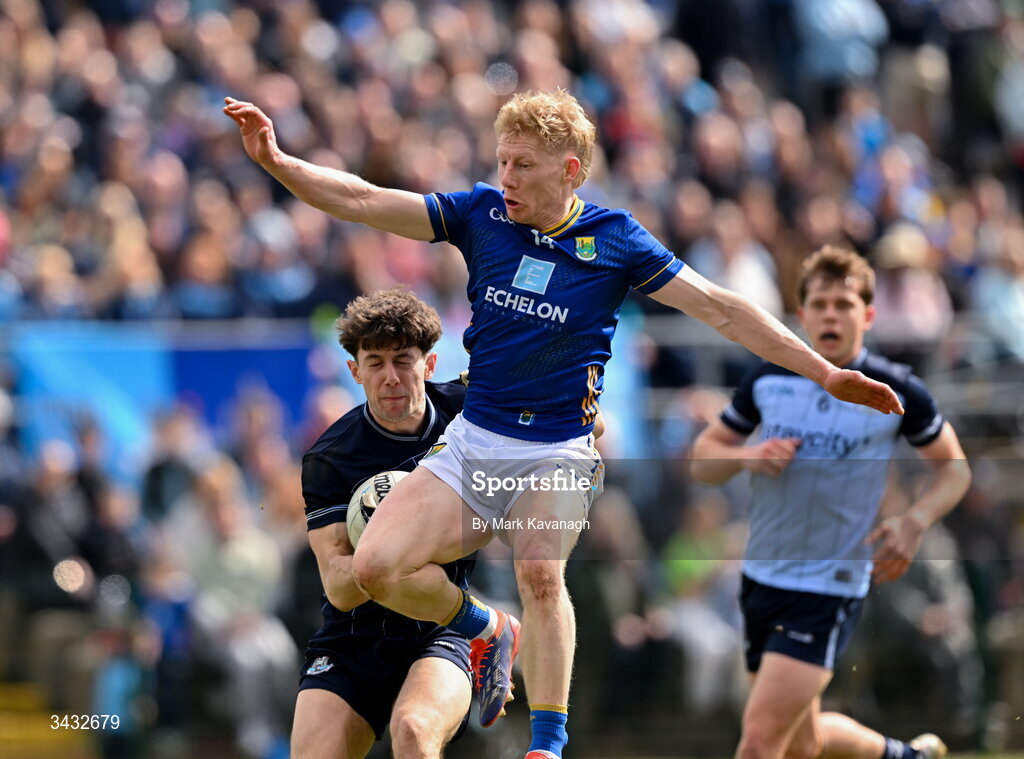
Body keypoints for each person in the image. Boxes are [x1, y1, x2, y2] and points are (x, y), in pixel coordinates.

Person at [225, 90, 903, 759]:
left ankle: (548, 746)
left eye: (524, 164)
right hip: (475, 442)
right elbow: (368, 200)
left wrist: (825, 372)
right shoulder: (481, 215)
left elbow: (721, 308)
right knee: (374, 565)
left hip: (557, 448)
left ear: (570, 169)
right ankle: (486, 627)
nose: (507, 178)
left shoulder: (616, 240)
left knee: (541, 571)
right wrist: (280, 162)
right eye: (503, 161)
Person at [690, 246, 971, 759]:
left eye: (843, 304)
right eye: (819, 304)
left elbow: (954, 469)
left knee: (757, 742)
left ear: (867, 315)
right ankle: (906, 757)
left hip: (828, 585)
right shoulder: (768, 378)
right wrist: (750, 456)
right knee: (803, 742)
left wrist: (914, 522)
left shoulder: (896, 388)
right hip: (761, 578)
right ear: (801, 316)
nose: (830, 315)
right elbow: (703, 462)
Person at [295, 287, 475, 759]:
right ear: (354, 371)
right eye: (375, 363)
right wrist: (403, 547)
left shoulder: (472, 412)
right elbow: (339, 586)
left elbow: (581, 423)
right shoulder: (329, 458)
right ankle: (493, 626)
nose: (390, 377)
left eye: (403, 360)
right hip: (352, 639)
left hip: (441, 625)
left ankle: (487, 630)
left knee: (413, 732)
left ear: (430, 365)